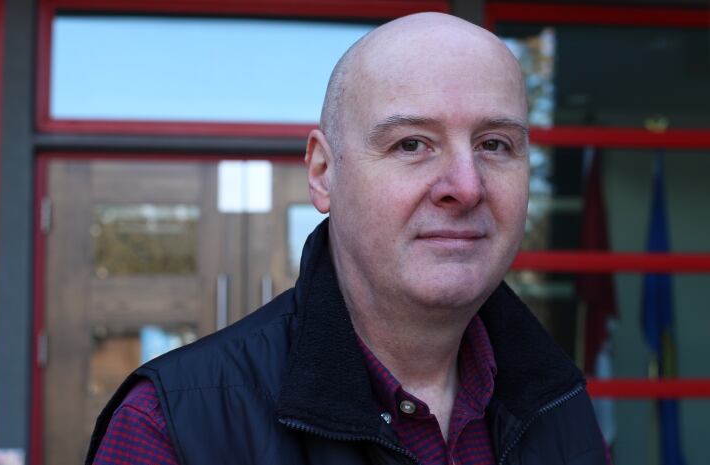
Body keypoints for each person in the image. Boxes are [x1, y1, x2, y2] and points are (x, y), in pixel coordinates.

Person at [87, 12, 609, 465]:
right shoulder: (170, 426)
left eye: (494, 144)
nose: (466, 187)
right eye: (411, 144)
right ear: (323, 172)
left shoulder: (558, 404)